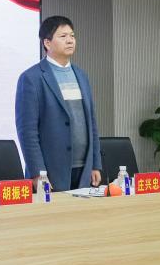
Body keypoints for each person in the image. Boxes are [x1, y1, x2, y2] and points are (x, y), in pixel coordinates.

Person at [15, 15, 102, 191]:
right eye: (63, 36)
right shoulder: (31, 78)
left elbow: (91, 123)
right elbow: (27, 131)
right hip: (51, 171)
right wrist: (37, 173)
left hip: (84, 169)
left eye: (72, 35)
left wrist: (95, 164)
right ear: (47, 43)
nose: (70, 40)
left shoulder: (81, 75)